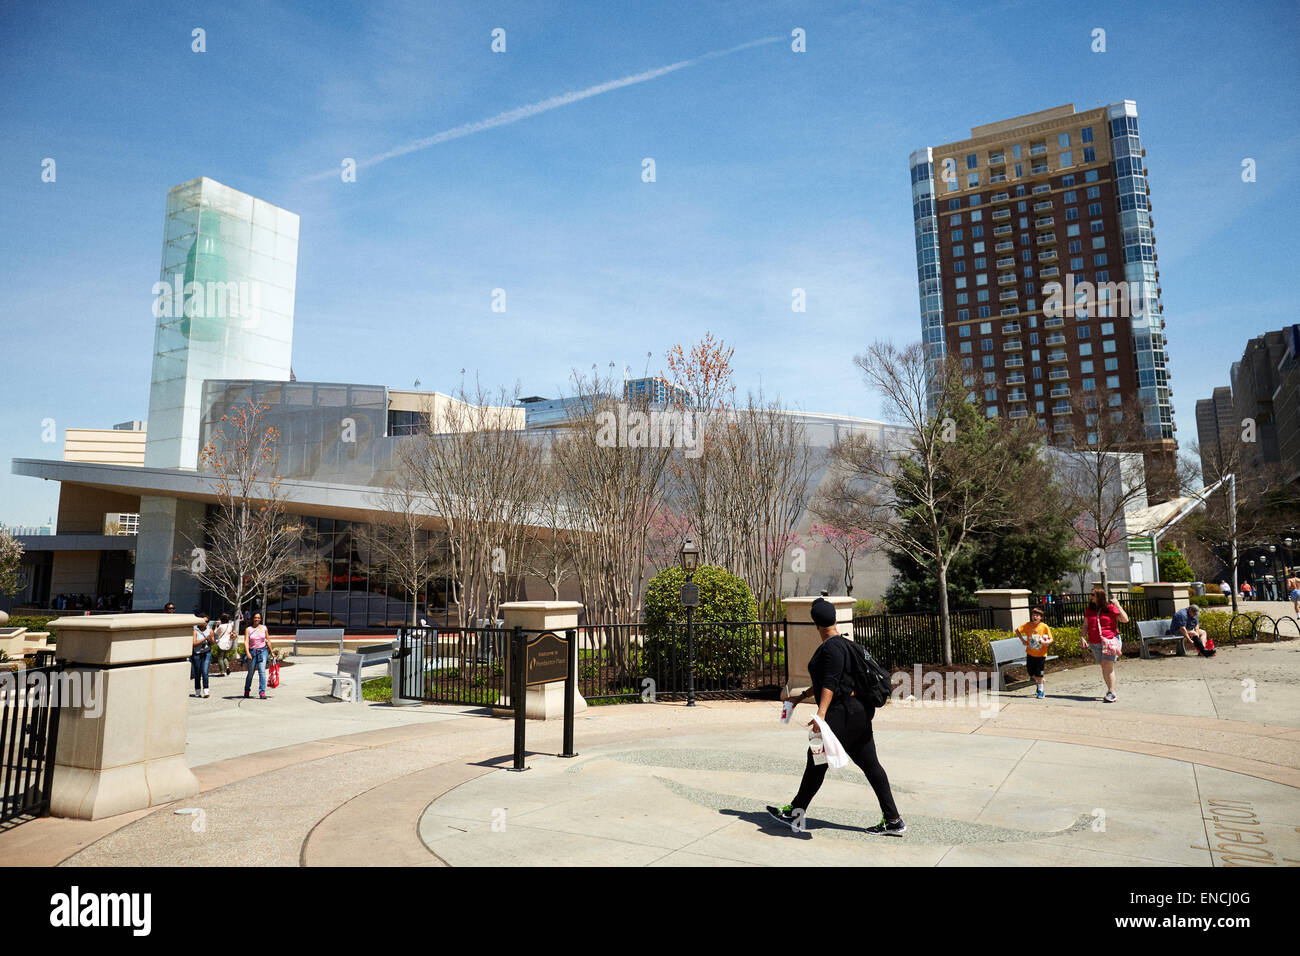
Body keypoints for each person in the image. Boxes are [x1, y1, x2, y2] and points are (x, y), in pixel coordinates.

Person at [767, 598, 904, 835]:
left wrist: (820, 717)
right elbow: (829, 681)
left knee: (816, 761)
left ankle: (796, 811)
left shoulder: (831, 648)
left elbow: (830, 683)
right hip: (858, 713)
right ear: (834, 620)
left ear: (816, 624)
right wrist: (801, 697)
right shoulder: (845, 645)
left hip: (842, 714)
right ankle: (893, 820)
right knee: (871, 765)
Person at [1083, 586, 1128, 703]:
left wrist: (1117, 605)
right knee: (1104, 666)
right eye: (1091, 594)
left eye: (1093, 595)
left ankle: (1112, 692)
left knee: (1107, 666)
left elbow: (1125, 619)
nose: (1091, 597)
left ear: (1100, 596)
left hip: (1110, 642)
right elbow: (1085, 626)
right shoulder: (1090, 609)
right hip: (1095, 643)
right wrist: (1082, 637)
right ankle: (1110, 690)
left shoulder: (1110, 608)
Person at [1016, 606, 1054, 699]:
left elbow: (1051, 639)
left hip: (1041, 655)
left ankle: (1040, 691)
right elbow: (1017, 630)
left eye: (1037, 615)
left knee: (1039, 673)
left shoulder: (1044, 626)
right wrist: (1023, 640)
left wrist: (1046, 642)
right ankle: (1040, 680)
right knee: (1030, 672)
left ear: (1041, 617)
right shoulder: (1027, 625)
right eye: (1033, 615)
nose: (1035, 617)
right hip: (1030, 653)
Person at [243, 612, 272, 699]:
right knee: (251, 672)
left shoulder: (264, 628)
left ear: (260, 619)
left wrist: (271, 651)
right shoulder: (248, 629)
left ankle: (262, 692)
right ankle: (247, 689)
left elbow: (268, 640)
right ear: (252, 618)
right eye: (255, 618)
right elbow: (246, 641)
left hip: (262, 651)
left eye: (258, 618)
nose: (257, 619)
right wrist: (247, 652)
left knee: (262, 672)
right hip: (252, 652)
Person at [191, 615, 213, 698]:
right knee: (197, 673)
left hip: (207, 653)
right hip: (197, 653)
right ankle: (197, 691)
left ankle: (206, 690)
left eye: (207, 621)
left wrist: (211, 639)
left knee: (205, 672)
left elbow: (212, 643)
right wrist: (204, 639)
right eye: (204, 621)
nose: (205, 623)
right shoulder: (195, 631)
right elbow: (194, 644)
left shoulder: (210, 630)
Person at [212, 612, 235, 676]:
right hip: (228, 643)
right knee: (224, 657)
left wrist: (216, 626)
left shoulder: (221, 626)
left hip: (221, 643)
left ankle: (222, 671)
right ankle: (227, 667)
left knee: (220, 658)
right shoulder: (230, 625)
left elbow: (215, 632)